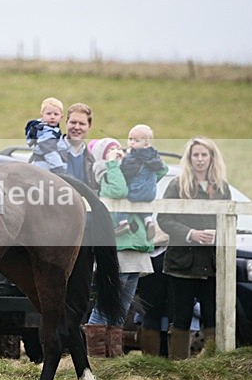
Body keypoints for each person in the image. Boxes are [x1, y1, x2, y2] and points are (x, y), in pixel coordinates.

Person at [157, 137, 231, 360]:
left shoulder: (221, 188)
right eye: (195, 155)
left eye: (204, 155)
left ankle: (211, 362)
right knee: (181, 317)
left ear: (211, 158)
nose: (199, 160)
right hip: (181, 263)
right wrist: (191, 234)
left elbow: (229, 220)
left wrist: (218, 234)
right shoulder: (177, 185)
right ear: (189, 159)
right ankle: (178, 365)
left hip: (212, 264)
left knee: (212, 316)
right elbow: (164, 218)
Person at [84, 138, 154, 357]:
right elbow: (118, 190)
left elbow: (149, 187)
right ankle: (95, 356)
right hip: (119, 250)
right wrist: (113, 164)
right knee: (107, 303)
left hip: (136, 248)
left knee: (122, 307)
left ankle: (113, 355)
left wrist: (145, 157)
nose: (117, 151)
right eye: (110, 149)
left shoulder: (124, 170)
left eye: (117, 147)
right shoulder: (105, 172)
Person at [114, 124, 168, 239]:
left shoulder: (134, 157)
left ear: (146, 144)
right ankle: (148, 221)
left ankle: (123, 223)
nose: (132, 143)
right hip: (151, 193)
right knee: (144, 205)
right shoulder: (154, 156)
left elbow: (126, 172)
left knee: (123, 201)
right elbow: (162, 168)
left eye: (136, 140)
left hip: (136, 192)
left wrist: (120, 161)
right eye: (130, 139)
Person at [25, 97, 69, 175]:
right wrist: (60, 172)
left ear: (61, 117)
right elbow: (50, 153)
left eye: (56, 114)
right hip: (47, 172)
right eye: (48, 114)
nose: (52, 117)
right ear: (42, 115)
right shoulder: (47, 133)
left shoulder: (50, 130)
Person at [61, 103, 97, 190]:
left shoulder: (93, 160)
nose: (77, 127)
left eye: (82, 124)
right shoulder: (47, 151)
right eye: (73, 122)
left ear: (89, 126)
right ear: (66, 123)